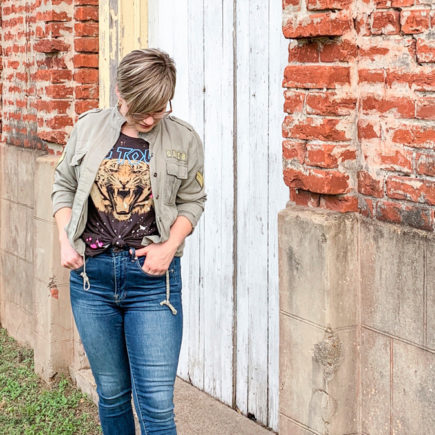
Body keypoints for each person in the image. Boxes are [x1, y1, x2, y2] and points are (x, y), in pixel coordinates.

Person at [51, 48, 206, 435]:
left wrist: (169, 246)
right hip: (92, 281)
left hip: (153, 285)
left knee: (155, 404)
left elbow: (193, 200)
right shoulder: (88, 128)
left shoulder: (183, 138)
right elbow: (64, 188)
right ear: (120, 92)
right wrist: (65, 240)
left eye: (161, 107)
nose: (152, 117)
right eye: (142, 108)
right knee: (113, 394)